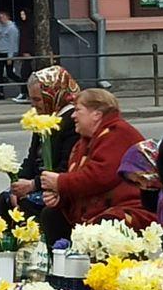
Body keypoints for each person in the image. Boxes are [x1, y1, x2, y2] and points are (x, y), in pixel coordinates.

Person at [42, 89, 154, 228]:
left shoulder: (118, 132)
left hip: (129, 208)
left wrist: (60, 182)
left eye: (78, 110)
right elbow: (79, 179)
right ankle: (61, 250)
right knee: (51, 214)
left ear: (96, 114)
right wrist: (60, 198)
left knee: (107, 222)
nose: (73, 116)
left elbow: (100, 177)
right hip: (96, 209)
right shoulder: (85, 140)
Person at [0, 66, 81, 245]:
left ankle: (35, 253)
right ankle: (9, 250)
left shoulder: (72, 122)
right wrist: (16, 183)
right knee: (5, 199)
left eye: (37, 99)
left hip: (56, 187)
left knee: (31, 205)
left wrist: (31, 185)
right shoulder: (43, 118)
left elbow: (64, 167)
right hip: (39, 183)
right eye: (31, 99)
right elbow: (31, 159)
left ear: (54, 95)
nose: (34, 105)